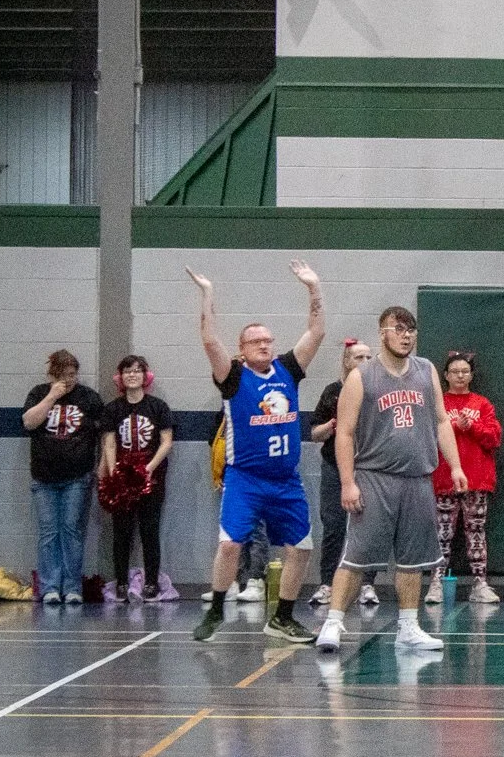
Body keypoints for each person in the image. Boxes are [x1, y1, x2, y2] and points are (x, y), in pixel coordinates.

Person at [314, 306, 468, 654]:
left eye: (410, 329)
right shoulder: (361, 377)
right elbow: (344, 434)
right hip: (375, 477)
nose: (406, 335)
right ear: (382, 333)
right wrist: (348, 482)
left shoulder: (426, 370)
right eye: (398, 329)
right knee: (357, 556)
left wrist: (456, 466)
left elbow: (442, 421)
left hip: (418, 478)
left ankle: (409, 627)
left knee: (412, 560)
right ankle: (334, 622)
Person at [188, 262, 324, 643]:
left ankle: (282, 617)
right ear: (242, 350)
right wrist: (208, 294)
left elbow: (317, 331)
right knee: (230, 543)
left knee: (301, 548)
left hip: (286, 480)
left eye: (268, 340)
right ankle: (217, 608)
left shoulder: (288, 370)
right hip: (245, 478)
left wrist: (314, 288)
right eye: (255, 341)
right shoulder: (233, 376)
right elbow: (209, 341)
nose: (264, 344)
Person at [21, 349, 105, 605]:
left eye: (72, 374)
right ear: (51, 375)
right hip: (44, 477)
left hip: (77, 476)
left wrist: (101, 466)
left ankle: (72, 587)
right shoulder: (38, 393)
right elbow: (29, 423)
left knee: (71, 531)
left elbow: (104, 434)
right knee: (48, 533)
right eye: (62, 375)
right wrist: (52, 396)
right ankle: (49, 588)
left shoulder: (89, 398)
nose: (68, 380)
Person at [308, 339, 380, 608]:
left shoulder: (378, 391)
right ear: (347, 361)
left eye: (369, 357)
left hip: (369, 468)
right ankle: (327, 584)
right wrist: (331, 426)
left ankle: (367, 584)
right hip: (335, 467)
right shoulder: (332, 392)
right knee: (334, 526)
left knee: (370, 527)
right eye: (359, 357)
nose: (365, 362)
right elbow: (315, 433)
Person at [99, 355, 175, 603]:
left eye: (137, 370)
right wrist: (114, 474)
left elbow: (166, 442)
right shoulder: (112, 409)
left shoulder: (158, 407)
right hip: (123, 478)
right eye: (127, 371)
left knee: (149, 530)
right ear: (120, 377)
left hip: (151, 477)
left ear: (145, 376)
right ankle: (121, 581)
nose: (132, 375)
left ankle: (152, 582)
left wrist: (149, 468)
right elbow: (109, 443)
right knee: (121, 532)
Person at [430, 350, 503, 606]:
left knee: (476, 532)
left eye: (465, 371)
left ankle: (480, 583)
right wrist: (451, 428)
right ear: (446, 375)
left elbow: (494, 438)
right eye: (455, 372)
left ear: (471, 375)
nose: (460, 376)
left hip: (476, 480)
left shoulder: (482, 404)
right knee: (442, 533)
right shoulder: (438, 404)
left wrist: (471, 426)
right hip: (443, 480)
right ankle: (436, 583)